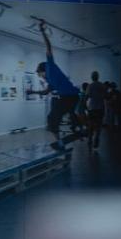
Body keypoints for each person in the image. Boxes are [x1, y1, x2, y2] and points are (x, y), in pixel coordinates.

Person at [26, 20, 80, 150]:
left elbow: (48, 47)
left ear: (42, 70)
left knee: (52, 117)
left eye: (40, 74)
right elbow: (45, 92)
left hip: (69, 97)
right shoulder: (50, 81)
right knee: (63, 113)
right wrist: (32, 92)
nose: (41, 77)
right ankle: (76, 127)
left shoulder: (50, 67)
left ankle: (68, 134)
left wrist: (42, 31)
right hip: (72, 97)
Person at [85, 71, 106, 150]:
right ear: (98, 77)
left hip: (92, 108)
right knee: (99, 125)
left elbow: (87, 96)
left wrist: (85, 106)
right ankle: (96, 139)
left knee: (90, 125)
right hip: (100, 107)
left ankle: (90, 140)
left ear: (92, 77)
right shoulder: (102, 85)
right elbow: (106, 95)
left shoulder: (90, 86)